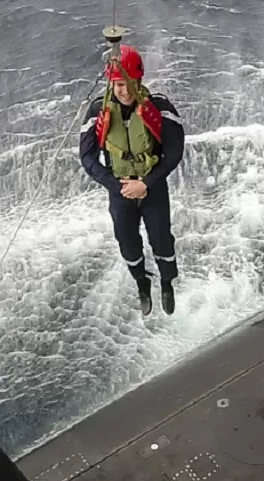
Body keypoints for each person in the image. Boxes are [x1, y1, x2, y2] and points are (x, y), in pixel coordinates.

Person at [79, 44, 185, 315]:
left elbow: (174, 151)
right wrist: (117, 186)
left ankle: (167, 282)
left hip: (151, 185)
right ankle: (141, 282)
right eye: (117, 85)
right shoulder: (97, 112)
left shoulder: (159, 108)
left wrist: (146, 183)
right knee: (126, 241)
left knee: (161, 238)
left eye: (127, 84)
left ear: (139, 80)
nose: (123, 91)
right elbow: (87, 157)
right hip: (120, 188)